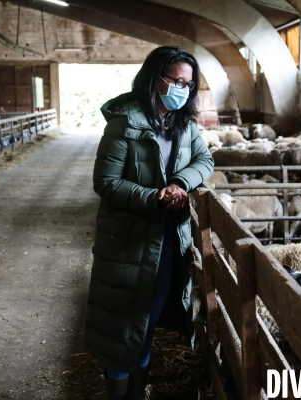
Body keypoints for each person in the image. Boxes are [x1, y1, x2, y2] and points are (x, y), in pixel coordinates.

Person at [86, 46, 214, 400]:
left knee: (146, 318)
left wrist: (181, 184)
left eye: (188, 84)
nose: (182, 89)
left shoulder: (184, 125)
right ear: (155, 78)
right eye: (176, 81)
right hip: (131, 240)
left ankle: (136, 393)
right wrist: (154, 197)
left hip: (170, 239)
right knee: (125, 324)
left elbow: (205, 159)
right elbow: (106, 182)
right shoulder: (124, 123)